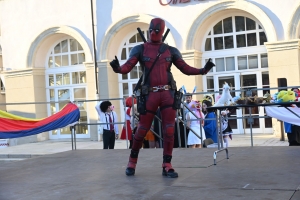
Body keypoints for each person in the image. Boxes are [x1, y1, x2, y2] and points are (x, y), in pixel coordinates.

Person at [109, 17, 215, 177]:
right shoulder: (140, 49)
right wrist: (118, 68)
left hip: (167, 94)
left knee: (169, 130)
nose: (153, 33)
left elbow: (184, 68)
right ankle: (132, 161)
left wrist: (202, 71)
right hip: (149, 93)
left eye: (156, 30)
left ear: (162, 31)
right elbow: (128, 67)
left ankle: (167, 164)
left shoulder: (170, 50)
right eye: (151, 30)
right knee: (142, 129)